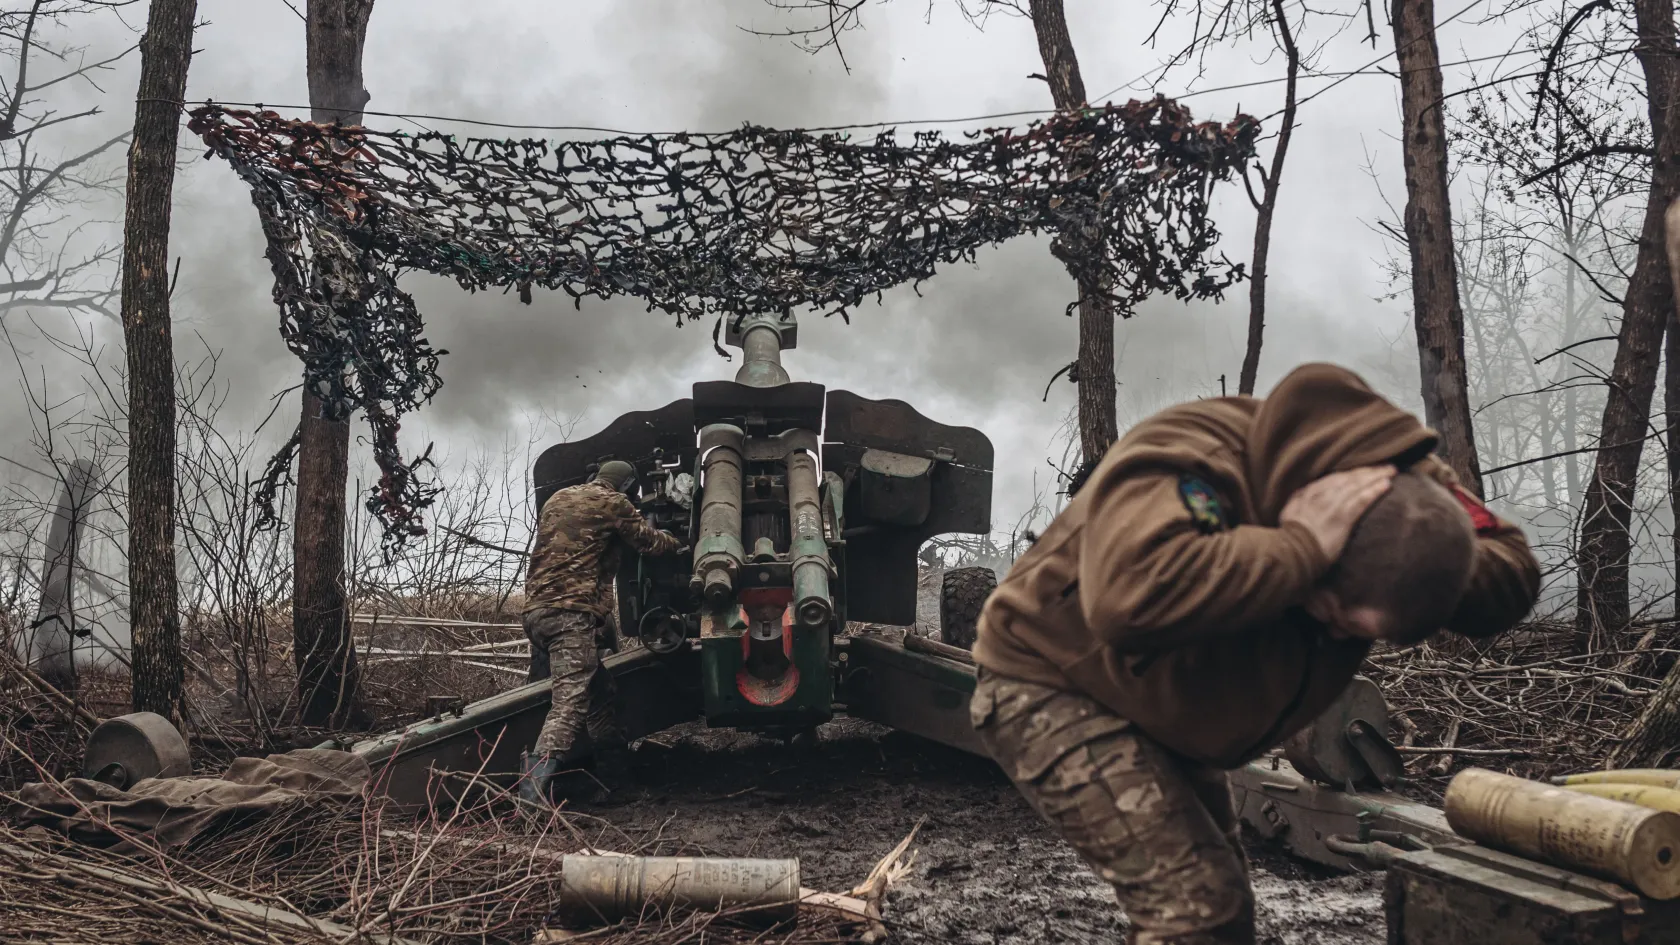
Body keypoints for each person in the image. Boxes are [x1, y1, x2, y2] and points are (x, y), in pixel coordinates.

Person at [970, 363, 1541, 945]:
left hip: (1172, 708)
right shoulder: (1193, 456)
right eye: (1335, 614)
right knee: (1196, 912)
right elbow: (1127, 599)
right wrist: (1300, 547)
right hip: (1054, 681)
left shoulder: (1405, 486)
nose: (1345, 636)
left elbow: (1513, 568)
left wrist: (1427, 559)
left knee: (1224, 914)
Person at [520, 460, 684, 805]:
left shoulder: (558, 498)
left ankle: (614, 783)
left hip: (536, 613)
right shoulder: (613, 503)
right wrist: (677, 542)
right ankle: (531, 798)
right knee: (569, 704)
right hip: (570, 615)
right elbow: (649, 543)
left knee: (600, 693)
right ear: (626, 487)